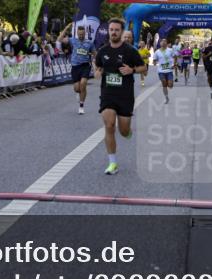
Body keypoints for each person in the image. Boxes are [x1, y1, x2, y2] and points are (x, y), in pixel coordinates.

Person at [94, 18, 147, 174]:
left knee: (123, 131)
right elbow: (97, 67)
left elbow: (143, 67)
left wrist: (132, 70)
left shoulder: (130, 50)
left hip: (125, 95)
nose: (114, 32)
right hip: (108, 94)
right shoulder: (103, 51)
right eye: (111, 30)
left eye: (117, 30)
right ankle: (112, 163)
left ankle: (127, 131)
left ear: (122, 32)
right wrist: (97, 72)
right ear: (108, 31)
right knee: (109, 126)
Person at [60, 23, 94, 114]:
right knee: (77, 89)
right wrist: (66, 28)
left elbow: (95, 54)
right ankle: (79, 93)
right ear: (77, 34)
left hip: (85, 66)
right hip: (75, 67)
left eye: (82, 34)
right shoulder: (72, 40)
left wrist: (96, 64)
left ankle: (81, 106)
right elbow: (59, 40)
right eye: (79, 34)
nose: (81, 36)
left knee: (83, 84)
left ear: (85, 33)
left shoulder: (89, 43)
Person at [155, 37, 176, 103]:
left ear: (166, 43)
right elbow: (154, 60)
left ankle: (169, 82)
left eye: (165, 41)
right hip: (161, 71)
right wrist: (154, 62)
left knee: (170, 86)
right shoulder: (157, 52)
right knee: (164, 83)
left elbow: (175, 57)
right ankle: (166, 98)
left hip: (169, 70)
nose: (163, 42)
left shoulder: (170, 50)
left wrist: (174, 64)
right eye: (162, 41)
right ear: (160, 43)